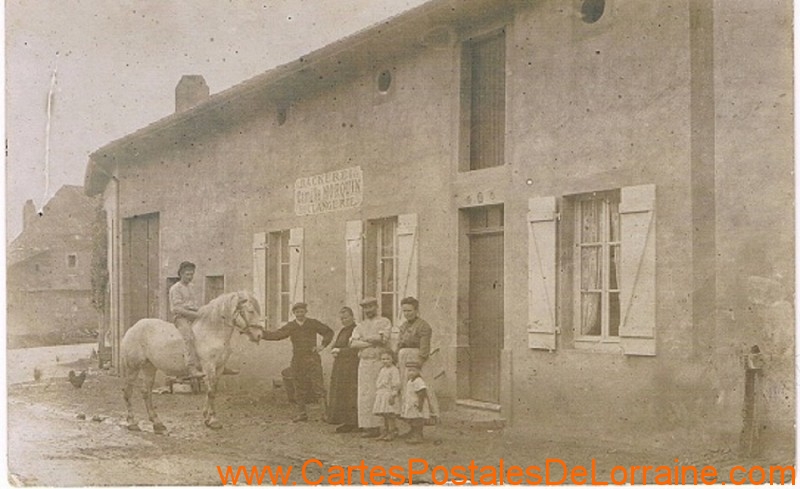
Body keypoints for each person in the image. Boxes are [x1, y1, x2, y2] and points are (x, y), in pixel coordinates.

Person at [262, 302, 334, 422]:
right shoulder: (291, 326)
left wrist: (322, 345)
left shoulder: (312, 323)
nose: (300, 314)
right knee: (298, 387)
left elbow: (328, 332)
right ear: (293, 313)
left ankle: (324, 414)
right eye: (297, 312)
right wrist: (261, 334)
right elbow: (276, 335)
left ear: (306, 312)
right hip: (298, 359)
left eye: (302, 311)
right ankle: (302, 414)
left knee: (318, 385)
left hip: (312, 358)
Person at [349, 297, 392, 438]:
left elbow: (383, 339)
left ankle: (380, 426)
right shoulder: (360, 325)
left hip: (378, 361)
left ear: (376, 306)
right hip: (364, 362)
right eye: (365, 308)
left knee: (377, 393)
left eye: (371, 307)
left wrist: (365, 340)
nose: (368, 310)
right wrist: (370, 341)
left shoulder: (384, 322)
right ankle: (367, 426)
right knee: (364, 394)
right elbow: (353, 344)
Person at [395, 296, 439, 425]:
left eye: (409, 310)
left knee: (418, 390)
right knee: (406, 391)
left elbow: (424, 349)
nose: (407, 314)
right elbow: (399, 344)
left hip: (418, 361)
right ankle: (410, 425)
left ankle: (423, 422)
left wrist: (417, 367)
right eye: (404, 311)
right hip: (404, 361)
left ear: (416, 310)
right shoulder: (403, 326)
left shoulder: (424, 326)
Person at [326, 307, 360, 433]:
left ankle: (353, 422)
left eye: (346, 318)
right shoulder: (342, 331)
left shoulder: (356, 330)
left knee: (350, 393)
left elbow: (355, 349)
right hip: (340, 366)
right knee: (341, 392)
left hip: (351, 366)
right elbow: (336, 344)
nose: (344, 320)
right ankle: (344, 420)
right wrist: (334, 350)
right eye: (342, 318)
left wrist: (340, 351)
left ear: (352, 316)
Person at [168, 261, 204, 378]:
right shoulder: (175, 288)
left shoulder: (191, 287)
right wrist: (194, 315)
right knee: (189, 337)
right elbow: (177, 308)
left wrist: (200, 312)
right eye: (188, 274)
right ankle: (191, 367)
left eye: (192, 274)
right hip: (181, 317)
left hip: (193, 315)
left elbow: (194, 305)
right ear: (181, 274)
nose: (190, 277)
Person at [372, 350, 401, 441]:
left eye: (388, 359)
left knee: (390, 414)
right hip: (382, 394)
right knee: (384, 414)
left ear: (392, 359)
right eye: (383, 359)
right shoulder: (382, 370)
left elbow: (396, 383)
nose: (385, 361)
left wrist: (393, 394)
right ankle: (385, 431)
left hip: (389, 394)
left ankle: (392, 431)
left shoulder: (394, 370)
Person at [401, 360, 431, 444]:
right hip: (411, 404)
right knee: (412, 420)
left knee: (417, 420)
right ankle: (412, 433)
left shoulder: (418, 381)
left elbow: (422, 393)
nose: (411, 373)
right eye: (409, 371)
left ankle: (418, 436)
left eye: (413, 371)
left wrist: (420, 404)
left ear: (418, 371)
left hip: (416, 404)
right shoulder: (410, 381)